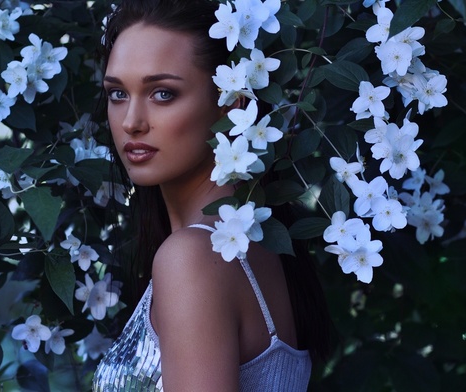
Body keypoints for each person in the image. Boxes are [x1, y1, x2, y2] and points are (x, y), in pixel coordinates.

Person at [92, 1, 331, 390]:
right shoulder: (254, 245)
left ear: (231, 103)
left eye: (163, 94)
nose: (131, 122)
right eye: (117, 93)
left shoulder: (194, 258)